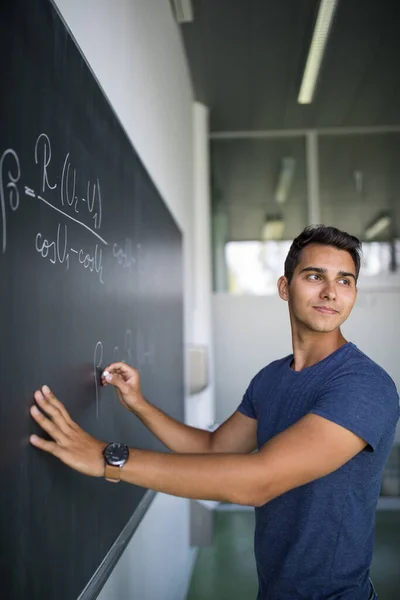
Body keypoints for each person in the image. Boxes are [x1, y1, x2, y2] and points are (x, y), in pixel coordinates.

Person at [29, 225, 399, 600]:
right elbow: (212, 448)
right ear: (285, 287)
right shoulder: (270, 379)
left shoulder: (364, 385)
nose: (330, 292)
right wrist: (139, 404)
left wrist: (108, 458)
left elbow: (259, 481)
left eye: (345, 281)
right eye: (315, 275)